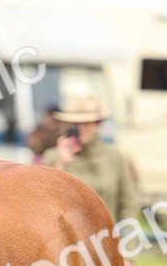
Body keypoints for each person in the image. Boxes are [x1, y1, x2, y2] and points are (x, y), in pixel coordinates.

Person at [45, 94, 139, 229]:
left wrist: (126, 242)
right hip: (65, 244)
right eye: (75, 123)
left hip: (104, 242)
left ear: (97, 124)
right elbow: (44, 205)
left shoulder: (114, 157)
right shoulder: (53, 157)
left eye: (86, 123)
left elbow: (128, 204)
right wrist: (61, 166)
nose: (80, 128)